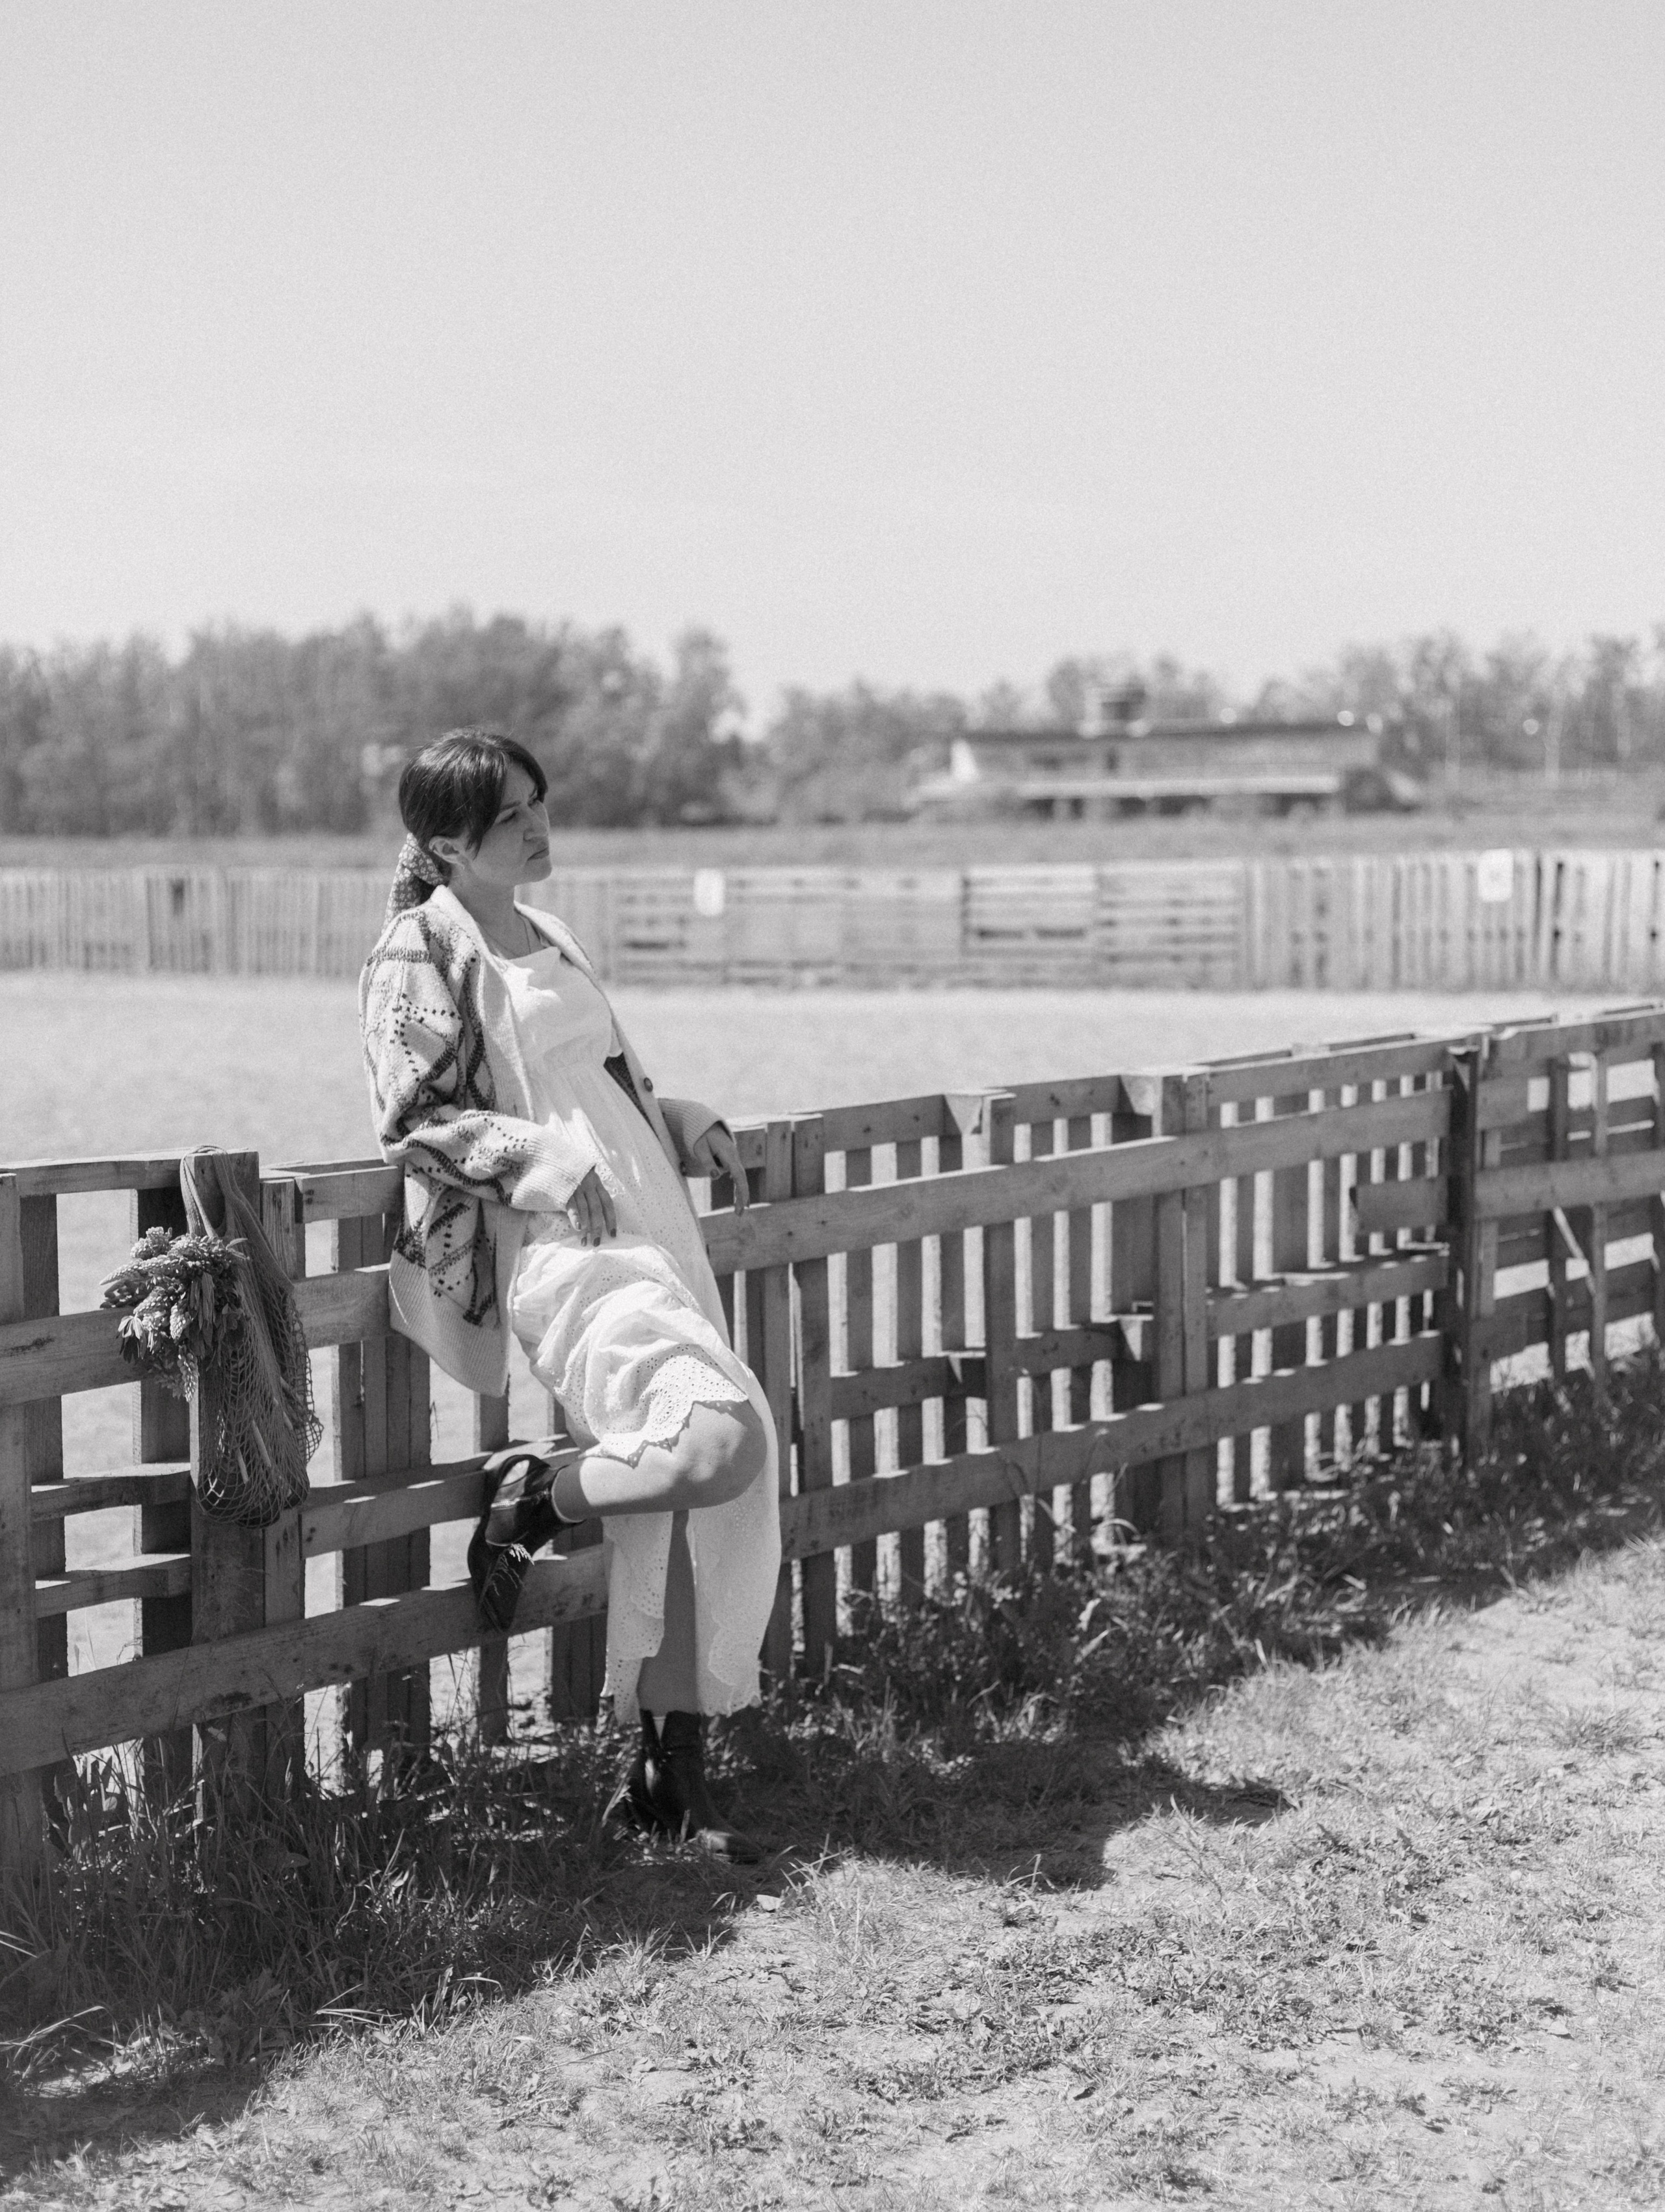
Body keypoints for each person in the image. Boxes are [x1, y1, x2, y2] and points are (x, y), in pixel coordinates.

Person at [359, 726, 780, 1863]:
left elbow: (589, 1074)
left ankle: (669, 1787)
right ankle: (537, 1498)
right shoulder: (417, 950)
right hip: (554, 1241)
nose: (540, 827)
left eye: (540, 803)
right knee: (718, 1441)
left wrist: (676, 1117)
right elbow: (411, 1119)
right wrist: (541, 1161)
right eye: (511, 818)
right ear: (446, 845)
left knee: (691, 1496)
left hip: (648, 1218)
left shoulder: (544, 932)